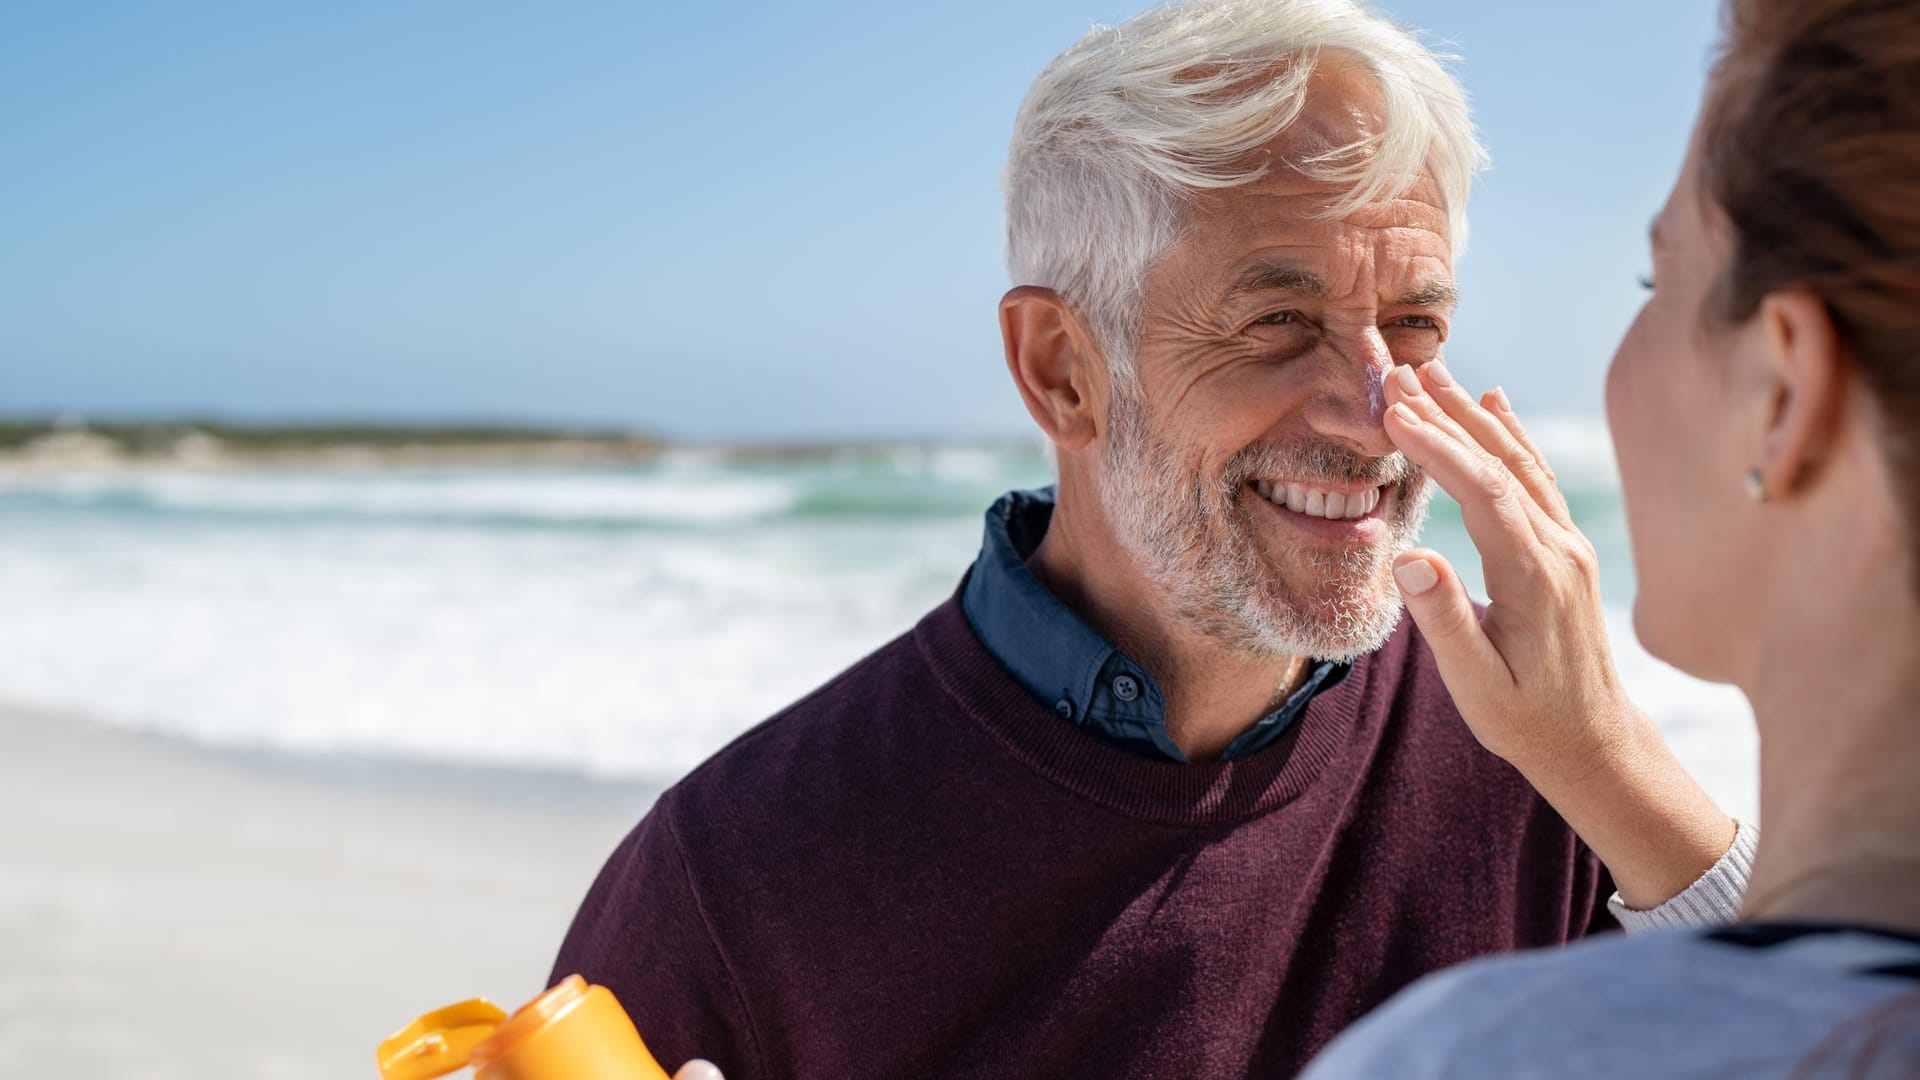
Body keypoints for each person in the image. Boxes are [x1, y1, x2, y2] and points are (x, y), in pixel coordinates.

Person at [553, 2, 1759, 1076]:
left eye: (1415, 323)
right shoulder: (737, 878)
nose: (1375, 410)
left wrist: (1610, 768)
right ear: (1062, 371)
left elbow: (1845, 1043)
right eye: (1279, 322)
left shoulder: (1537, 765)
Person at [1298, 0, 1920, 1075]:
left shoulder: (1474, 1056)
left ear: (1784, 387)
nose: (1377, 398)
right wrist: (1597, 761)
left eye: (1658, 282)